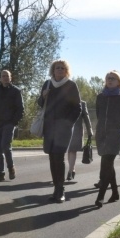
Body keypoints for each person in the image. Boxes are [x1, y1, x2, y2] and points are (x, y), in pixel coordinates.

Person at [37, 60, 81, 202]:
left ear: (66, 71)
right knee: (52, 157)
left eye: (63, 68)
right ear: (53, 70)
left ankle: (61, 190)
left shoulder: (71, 85)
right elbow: (40, 104)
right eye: (57, 68)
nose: (60, 70)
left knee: (59, 157)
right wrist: (43, 97)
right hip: (49, 126)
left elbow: (77, 108)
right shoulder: (47, 84)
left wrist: (68, 123)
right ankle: (56, 188)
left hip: (63, 128)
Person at [94, 70, 120, 208]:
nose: (110, 80)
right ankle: (115, 192)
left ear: (119, 82)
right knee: (108, 165)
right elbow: (99, 114)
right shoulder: (100, 97)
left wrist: (115, 127)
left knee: (105, 165)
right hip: (102, 134)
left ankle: (100, 196)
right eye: (108, 78)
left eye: (113, 78)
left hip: (115, 135)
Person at [66, 100, 93, 181]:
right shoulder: (64, 102)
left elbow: (86, 118)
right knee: (69, 150)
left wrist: (90, 131)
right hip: (66, 130)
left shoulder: (82, 103)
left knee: (72, 150)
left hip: (77, 131)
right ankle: (72, 169)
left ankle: (70, 171)